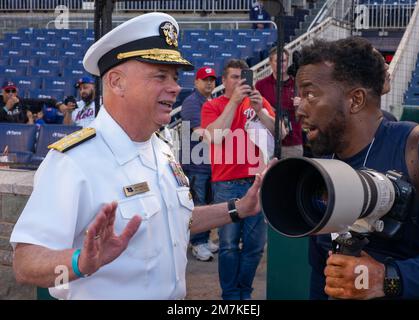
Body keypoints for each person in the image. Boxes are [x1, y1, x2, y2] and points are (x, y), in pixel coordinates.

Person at [10, 12, 269, 300]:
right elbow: (25, 263)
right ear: (117, 82)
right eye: (160, 76)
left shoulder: (161, 147)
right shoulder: (73, 161)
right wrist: (78, 264)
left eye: (174, 76)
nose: (174, 87)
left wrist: (238, 208)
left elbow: (175, 220)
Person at [295, 37, 419, 299]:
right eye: (298, 96)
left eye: (310, 94)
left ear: (355, 100)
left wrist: (388, 279)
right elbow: (322, 274)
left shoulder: (417, 150)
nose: (299, 108)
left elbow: (385, 280)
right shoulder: (321, 170)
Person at [201, 59, 277, 300]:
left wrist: (260, 113)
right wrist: (233, 103)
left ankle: (244, 291)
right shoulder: (213, 105)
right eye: (234, 77)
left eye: (242, 77)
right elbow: (214, 137)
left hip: (256, 180)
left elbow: (280, 133)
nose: (239, 81)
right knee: (229, 245)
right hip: (227, 182)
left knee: (255, 246)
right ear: (223, 81)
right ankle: (231, 295)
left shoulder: (258, 102)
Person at [181, 66, 218, 261]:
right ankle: (197, 243)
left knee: (208, 204)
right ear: (196, 82)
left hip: (208, 162)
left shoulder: (210, 101)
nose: (209, 83)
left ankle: (203, 238)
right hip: (195, 163)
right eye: (205, 79)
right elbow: (200, 132)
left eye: (212, 79)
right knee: (198, 204)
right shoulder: (192, 102)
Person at [256, 46, 304, 158]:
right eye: (277, 61)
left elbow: (308, 110)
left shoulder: (297, 84)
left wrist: (302, 103)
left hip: (293, 142)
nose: (281, 64)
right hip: (268, 141)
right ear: (270, 62)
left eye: (284, 60)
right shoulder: (261, 85)